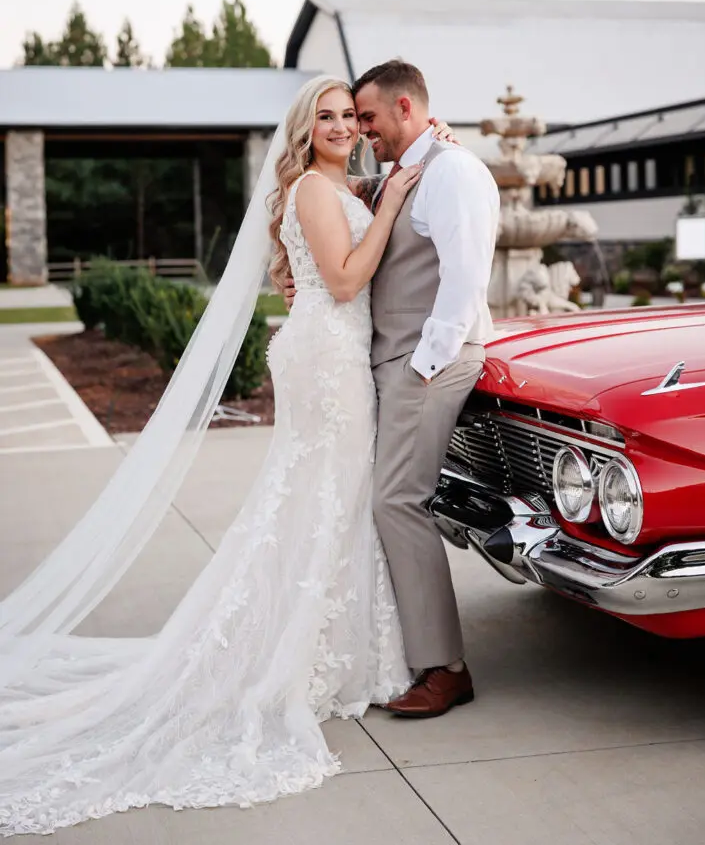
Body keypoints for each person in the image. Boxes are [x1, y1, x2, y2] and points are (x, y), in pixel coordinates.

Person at [0, 75, 452, 836]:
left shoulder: (343, 186)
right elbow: (343, 281)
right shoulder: (314, 187)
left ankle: (340, 652)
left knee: (332, 503)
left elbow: (346, 233)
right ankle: (298, 656)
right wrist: (395, 202)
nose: (342, 126)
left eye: (351, 116)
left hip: (331, 356)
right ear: (304, 130)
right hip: (329, 361)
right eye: (328, 117)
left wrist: (409, 174)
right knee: (324, 500)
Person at [286, 60, 500, 717]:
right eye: (345, 118)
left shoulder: (453, 172)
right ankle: (405, 649)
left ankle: (445, 667)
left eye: (367, 117)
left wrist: (422, 368)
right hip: (387, 357)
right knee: (382, 500)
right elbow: (351, 207)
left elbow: (464, 283)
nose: (360, 130)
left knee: (396, 502)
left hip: (425, 360)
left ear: (405, 108)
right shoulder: (406, 173)